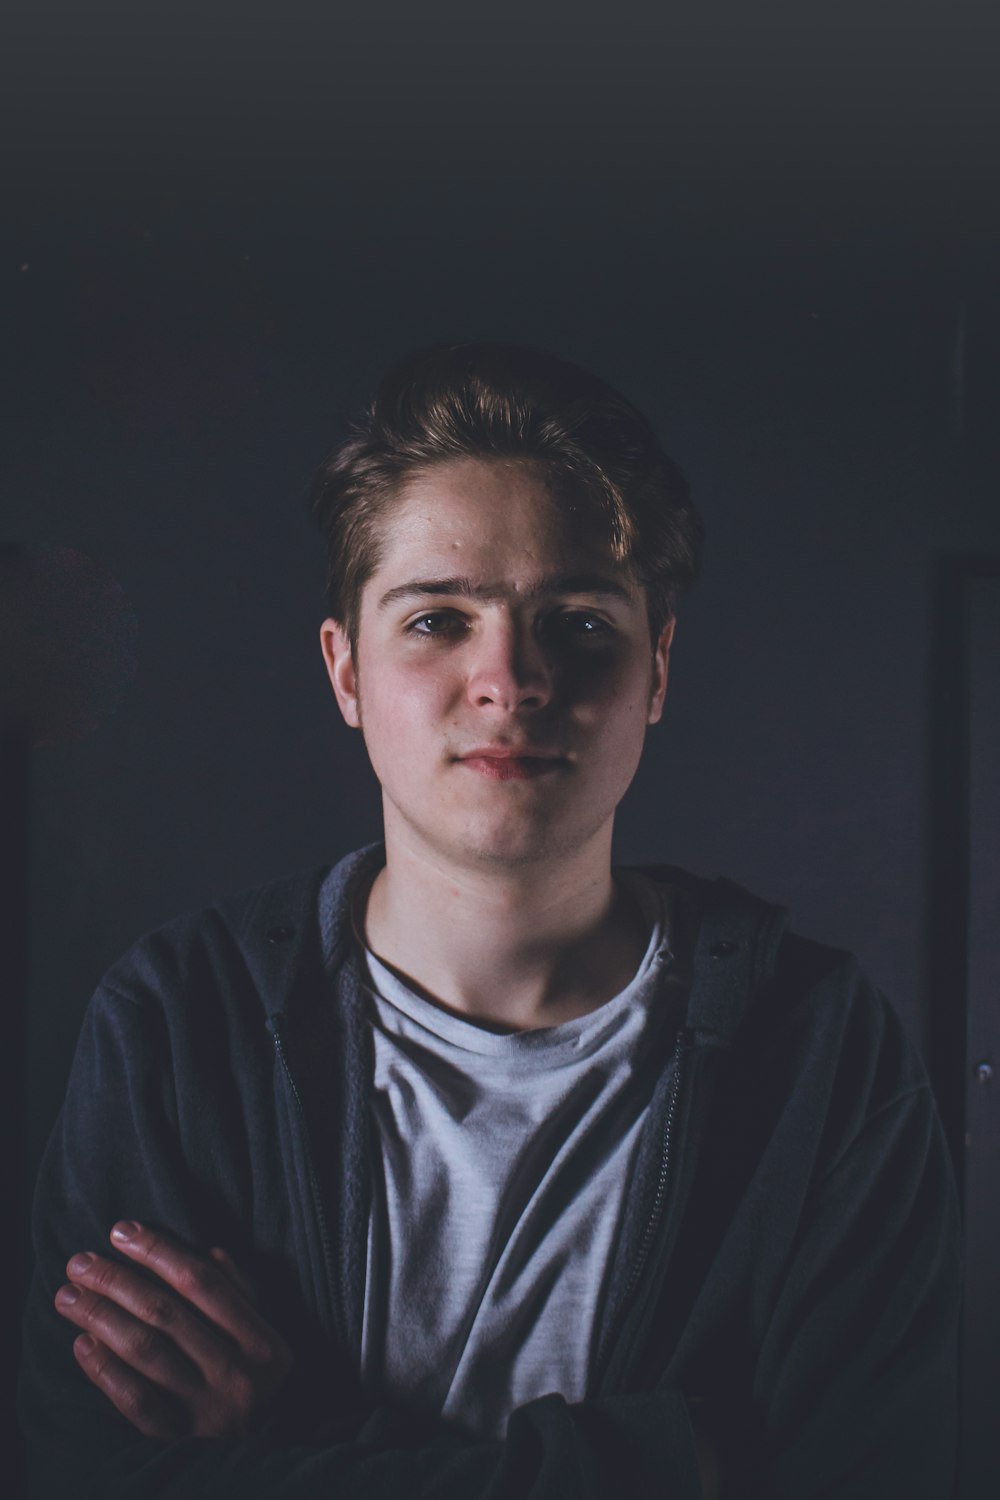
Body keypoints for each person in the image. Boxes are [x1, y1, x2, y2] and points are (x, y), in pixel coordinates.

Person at [18, 343, 961, 1499]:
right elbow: (84, 1477)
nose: (508, 680)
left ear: (655, 669)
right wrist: (668, 1464)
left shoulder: (821, 1049)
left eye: (575, 622)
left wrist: (292, 1438)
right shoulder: (177, 1022)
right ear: (345, 671)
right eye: (435, 621)